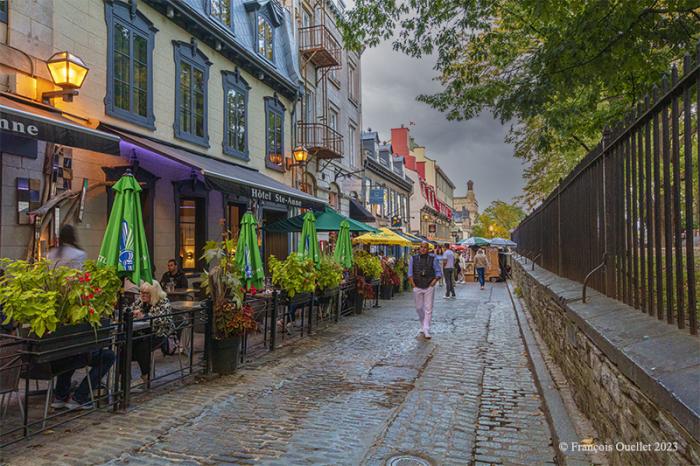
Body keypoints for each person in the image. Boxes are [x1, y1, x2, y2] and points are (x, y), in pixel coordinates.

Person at [130, 281, 175, 389]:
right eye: (141, 292)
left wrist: (144, 316)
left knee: (142, 346)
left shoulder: (163, 302)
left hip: (159, 333)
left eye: (146, 293)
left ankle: (146, 376)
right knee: (124, 344)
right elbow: (129, 310)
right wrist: (131, 313)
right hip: (139, 332)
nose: (143, 295)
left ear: (154, 293)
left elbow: (162, 320)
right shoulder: (140, 302)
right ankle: (125, 377)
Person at [51, 348, 115, 410]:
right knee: (109, 356)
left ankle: (60, 396)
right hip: (76, 355)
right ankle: (79, 397)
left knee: (67, 351)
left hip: (49, 361)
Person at [407, 242, 442, 339]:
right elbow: (409, 273)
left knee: (428, 308)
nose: (423, 249)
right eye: (421, 247)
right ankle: (422, 323)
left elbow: (438, 271)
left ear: (428, 249)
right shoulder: (413, 258)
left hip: (429, 285)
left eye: (425, 247)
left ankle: (426, 328)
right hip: (417, 286)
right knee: (418, 308)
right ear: (419, 248)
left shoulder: (433, 258)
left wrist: (434, 281)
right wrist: (413, 285)